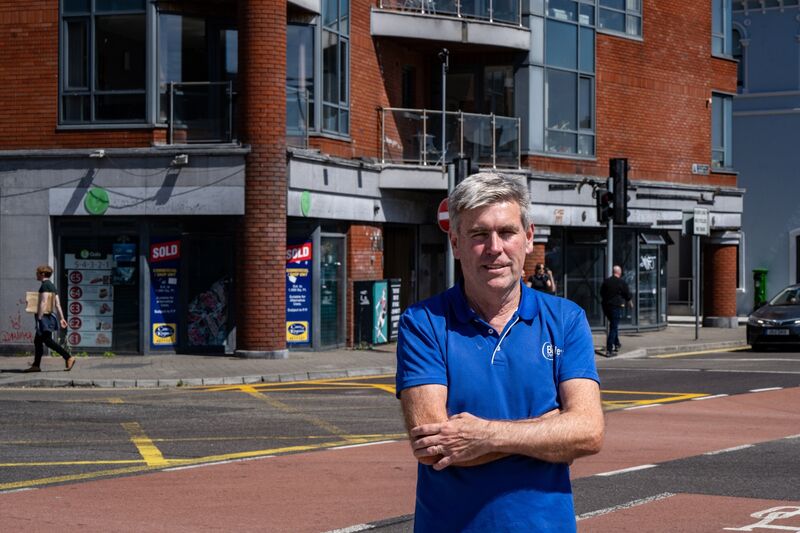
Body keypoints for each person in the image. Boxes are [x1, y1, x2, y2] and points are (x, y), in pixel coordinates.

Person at [396, 173, 604, 532]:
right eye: (479, 235)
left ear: (528, 238)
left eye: (506, 232)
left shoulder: (567, 319)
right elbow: (436, 447)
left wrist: (484, 436)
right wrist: (549, 428)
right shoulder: (423, 323)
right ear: (456, 244)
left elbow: (587, 432)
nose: (495, 248)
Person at [24, 265, 75, 373]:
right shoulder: (51, 285)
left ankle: (68, 357)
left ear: (42, 274)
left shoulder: (44, 286)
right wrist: (61, 318)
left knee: (47, 341)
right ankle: (36, 365)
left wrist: (39, 318)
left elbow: (43, 302)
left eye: (37, 273)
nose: (36, 275)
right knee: (38, 341)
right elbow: (58, 304)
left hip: (44, 318)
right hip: (49, 317)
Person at [600, 265, 633, 357]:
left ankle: (617, 343)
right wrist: (630, 303)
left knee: (613, 325)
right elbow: (627, 294)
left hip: (606, 306)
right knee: (613, 327)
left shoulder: (606, 281)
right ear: (619, 272)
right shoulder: (621, 282)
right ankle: (609, 349)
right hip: (615, 306)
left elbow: (601, 293)